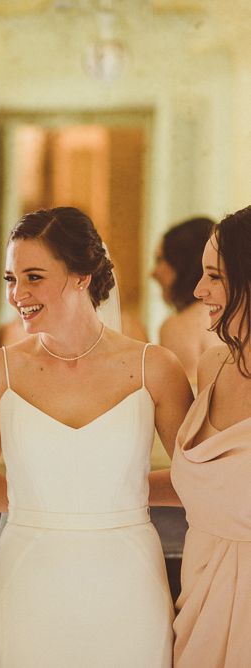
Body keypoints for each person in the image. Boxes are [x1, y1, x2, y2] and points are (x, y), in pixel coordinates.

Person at [0, 207, 193, 667]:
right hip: (30, 574)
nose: (19, 294)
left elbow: (197, 481)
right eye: (11, 279)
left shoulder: (155, 368)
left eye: (34, 276)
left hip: (128, 576)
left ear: (83, 275)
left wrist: (120, 497)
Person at [171, 206, 251, 667]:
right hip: (200, 602)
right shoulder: (212, 366)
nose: (199, 290)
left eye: (215, 276)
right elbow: (215, 487)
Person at [151, 216, 219, 385]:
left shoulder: (176, 328)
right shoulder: (238, 315)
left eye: (160, 260)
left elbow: (185, 406)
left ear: (182, 264)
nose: (153, 272)